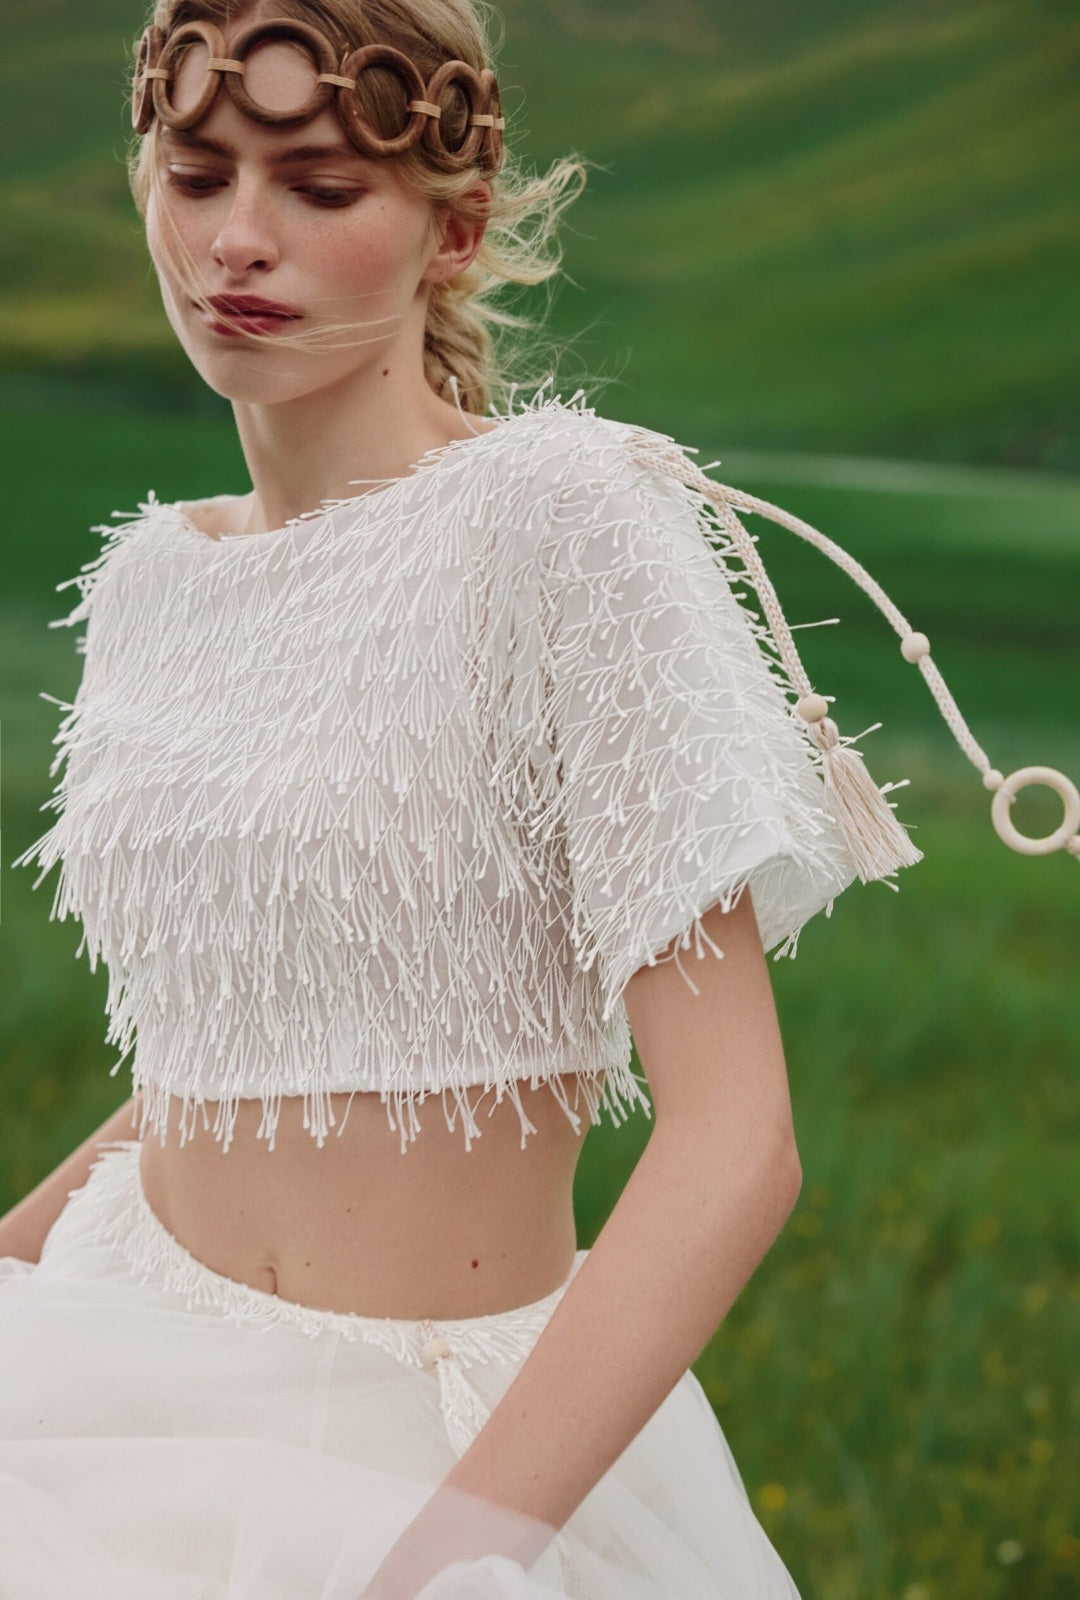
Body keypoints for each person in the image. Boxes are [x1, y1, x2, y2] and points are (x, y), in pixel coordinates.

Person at [3, 3, 1074, 1597]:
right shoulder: (158, 576)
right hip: (107, 1368)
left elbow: (736, 1143)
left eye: (320, 188)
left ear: (455, 224)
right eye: (196, 170)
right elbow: (234, 1051)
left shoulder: (563, 527)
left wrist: (446, 1568)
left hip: (430, 1447)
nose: (237, 240)